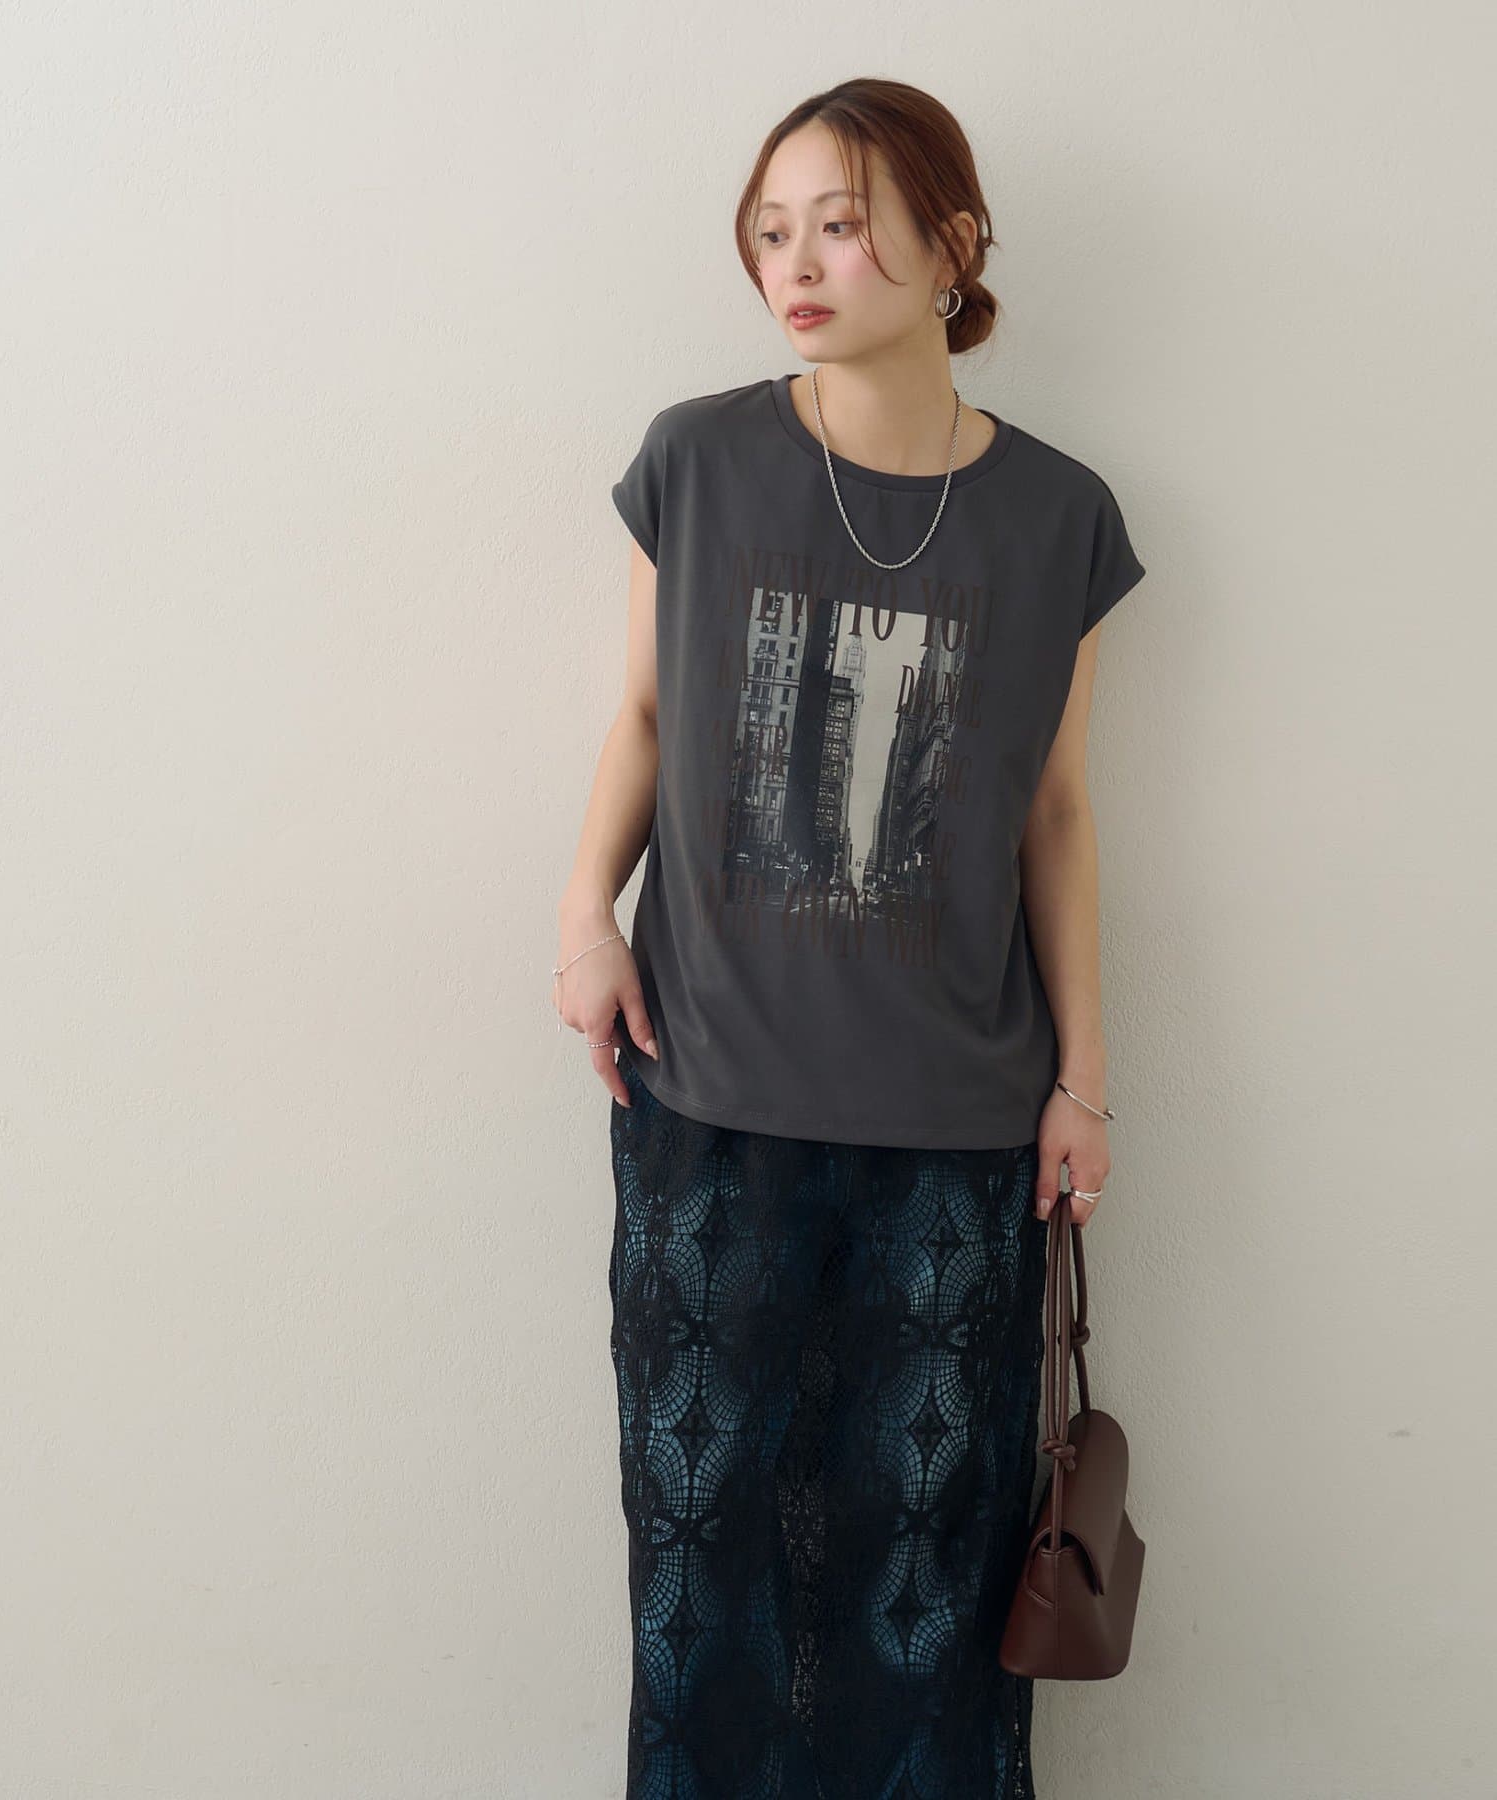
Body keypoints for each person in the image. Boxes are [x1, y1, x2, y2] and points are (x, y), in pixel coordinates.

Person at [554, 76, 1146, 1800]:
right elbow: (645, 718)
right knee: (702, 1566)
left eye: (840, 222)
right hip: (709, 1106)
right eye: (770, 231)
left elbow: (1055, 813)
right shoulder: (700, 460)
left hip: (959, 1133)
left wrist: (1085, 1081)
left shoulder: (1059, 517)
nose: (796, 263)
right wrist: (584, 915)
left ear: (952, 244)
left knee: (927, 1585)